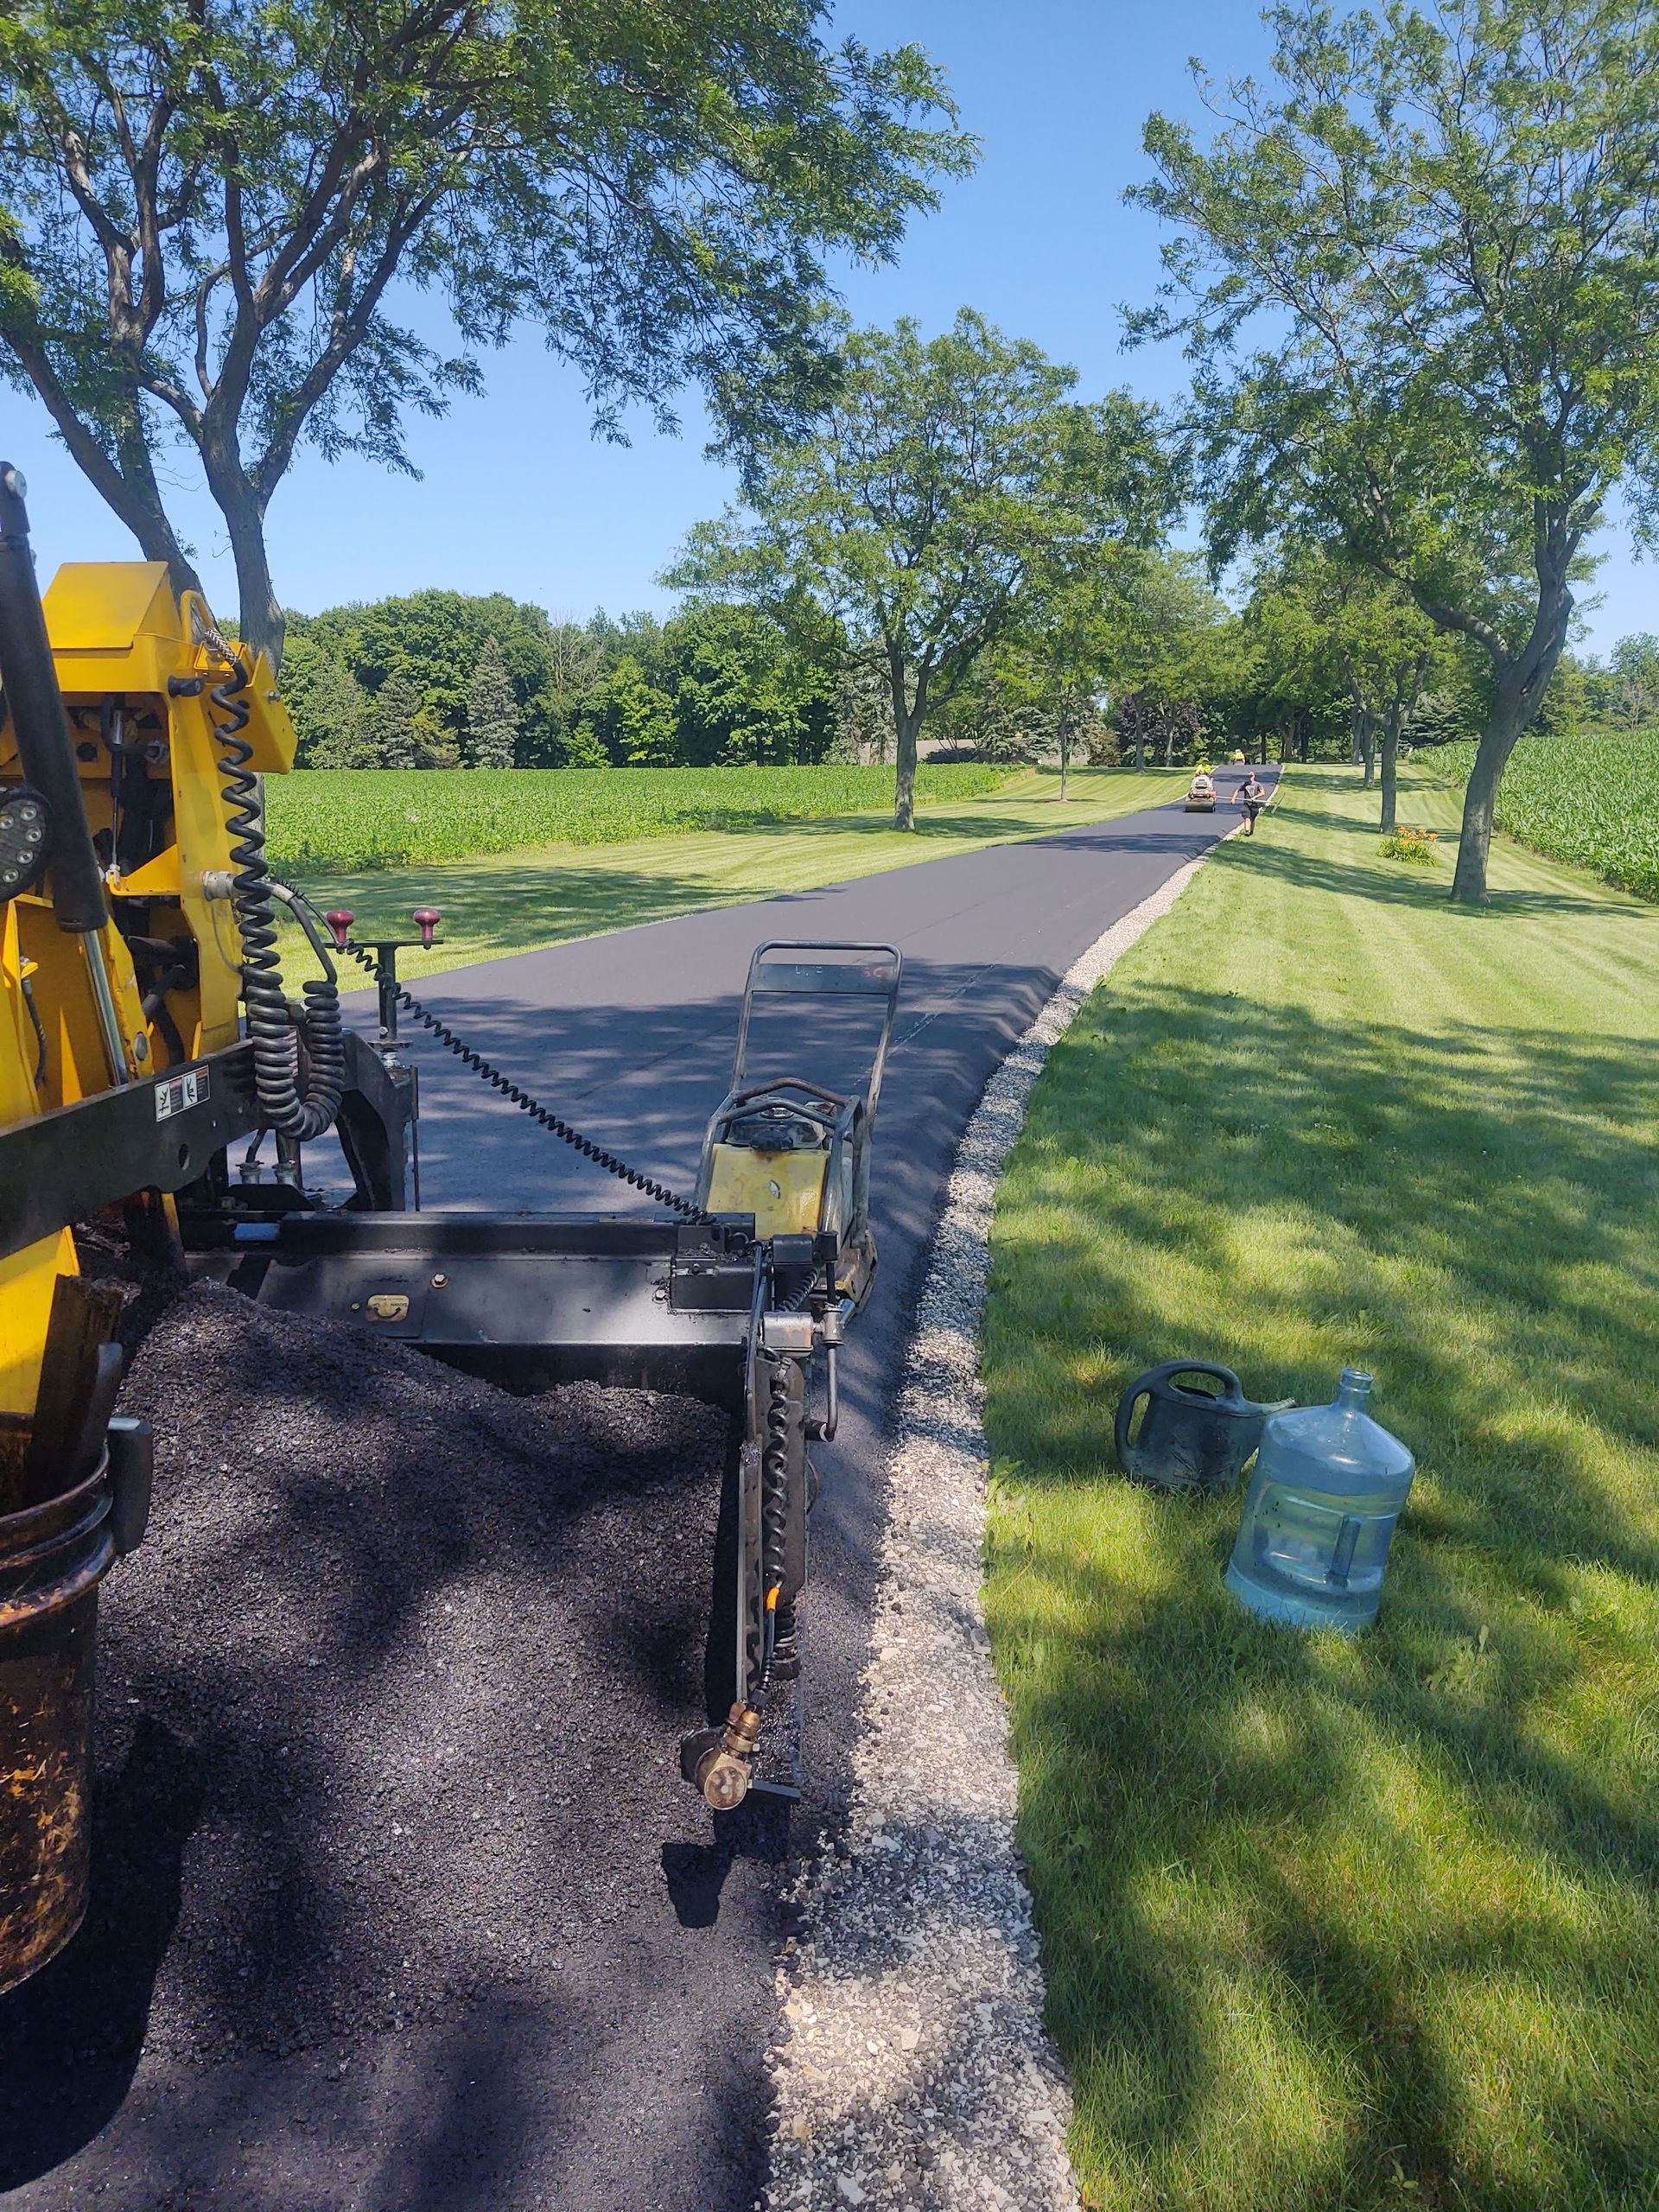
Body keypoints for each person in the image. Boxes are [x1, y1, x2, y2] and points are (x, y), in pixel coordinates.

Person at [1233, 770, 1268, 835]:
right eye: (1248, 777)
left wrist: (1255, 797)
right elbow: (1237, 790)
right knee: (1247, 818)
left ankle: (1251, 831)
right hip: (1246, 803)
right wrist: (1233, 799)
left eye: (1251, 776)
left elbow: (1263, 793)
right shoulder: (1244, 784)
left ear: (1253, 776)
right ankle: (1246, 831)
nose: (1250, 778)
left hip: (1254, 804)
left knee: (1252, 819)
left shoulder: (1257, 784)